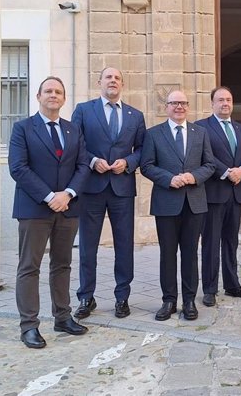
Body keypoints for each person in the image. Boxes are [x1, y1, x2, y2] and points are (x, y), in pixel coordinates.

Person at [8, 76, 90, 349]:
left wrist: (67, 194)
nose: (53, 95)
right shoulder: (22, 129)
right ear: (38, 96)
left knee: (62, 265)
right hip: (34, 209)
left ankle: (62, 317)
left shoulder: (73, 130)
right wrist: (48, 196)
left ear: (64, 99)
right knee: (29, 267)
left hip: (68, 207)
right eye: (48, 91)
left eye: (58, 92)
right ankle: (29, 326)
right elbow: (18, 168)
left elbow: (83, 166)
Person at [71, 67, 146, 320]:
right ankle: (85, 297)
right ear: (99, 82)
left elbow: (142, 150)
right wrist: (92, 161)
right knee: (88, 246)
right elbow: (75, 144)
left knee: (124, 245)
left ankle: (122, 297)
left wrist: (128, 162)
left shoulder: (135, 115)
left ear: (122, 84)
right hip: (92, 187)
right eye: (108, 77)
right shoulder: (83, 110)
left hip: (122, 187)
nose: (112, 81)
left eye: (117, 78)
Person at [140, 90, 215, 320]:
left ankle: (189, 300)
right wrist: (169, 179)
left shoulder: (200, 133)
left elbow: (210, 164)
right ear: (167, 107)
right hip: (166, 203)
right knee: (168, 254)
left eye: (183, 103)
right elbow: (147, 165)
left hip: (194, 202)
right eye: (174, 103)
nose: (179, 107)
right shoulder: (153, 134)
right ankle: (169, 300)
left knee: (191, 254)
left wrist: (193, 177)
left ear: (188, 106)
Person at [195, 86, 241, 307]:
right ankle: (210, 289)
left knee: (231, 242)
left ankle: (232, 285)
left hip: (236, 193)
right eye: (220, 100)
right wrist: (227, 172)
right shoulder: (202, 127)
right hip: (214, 193)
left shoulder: (240, 129)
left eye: (228, 100)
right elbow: (205, 155)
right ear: (212, 103)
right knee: (211, 242)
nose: (225, 104)